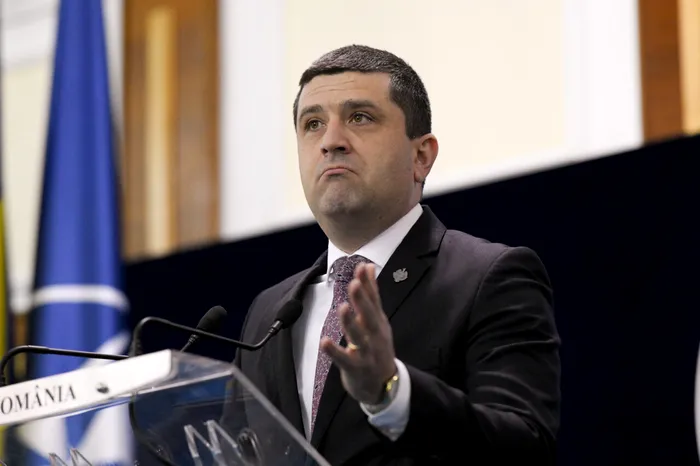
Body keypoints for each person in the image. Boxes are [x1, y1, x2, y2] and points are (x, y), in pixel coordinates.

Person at [229, 44, 561, 465]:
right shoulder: (268, 313)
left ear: (421, 156)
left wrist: (392, 392)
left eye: (360, 117)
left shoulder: (488, 278)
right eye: (313, 124)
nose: (331, 141)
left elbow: (525, 447)